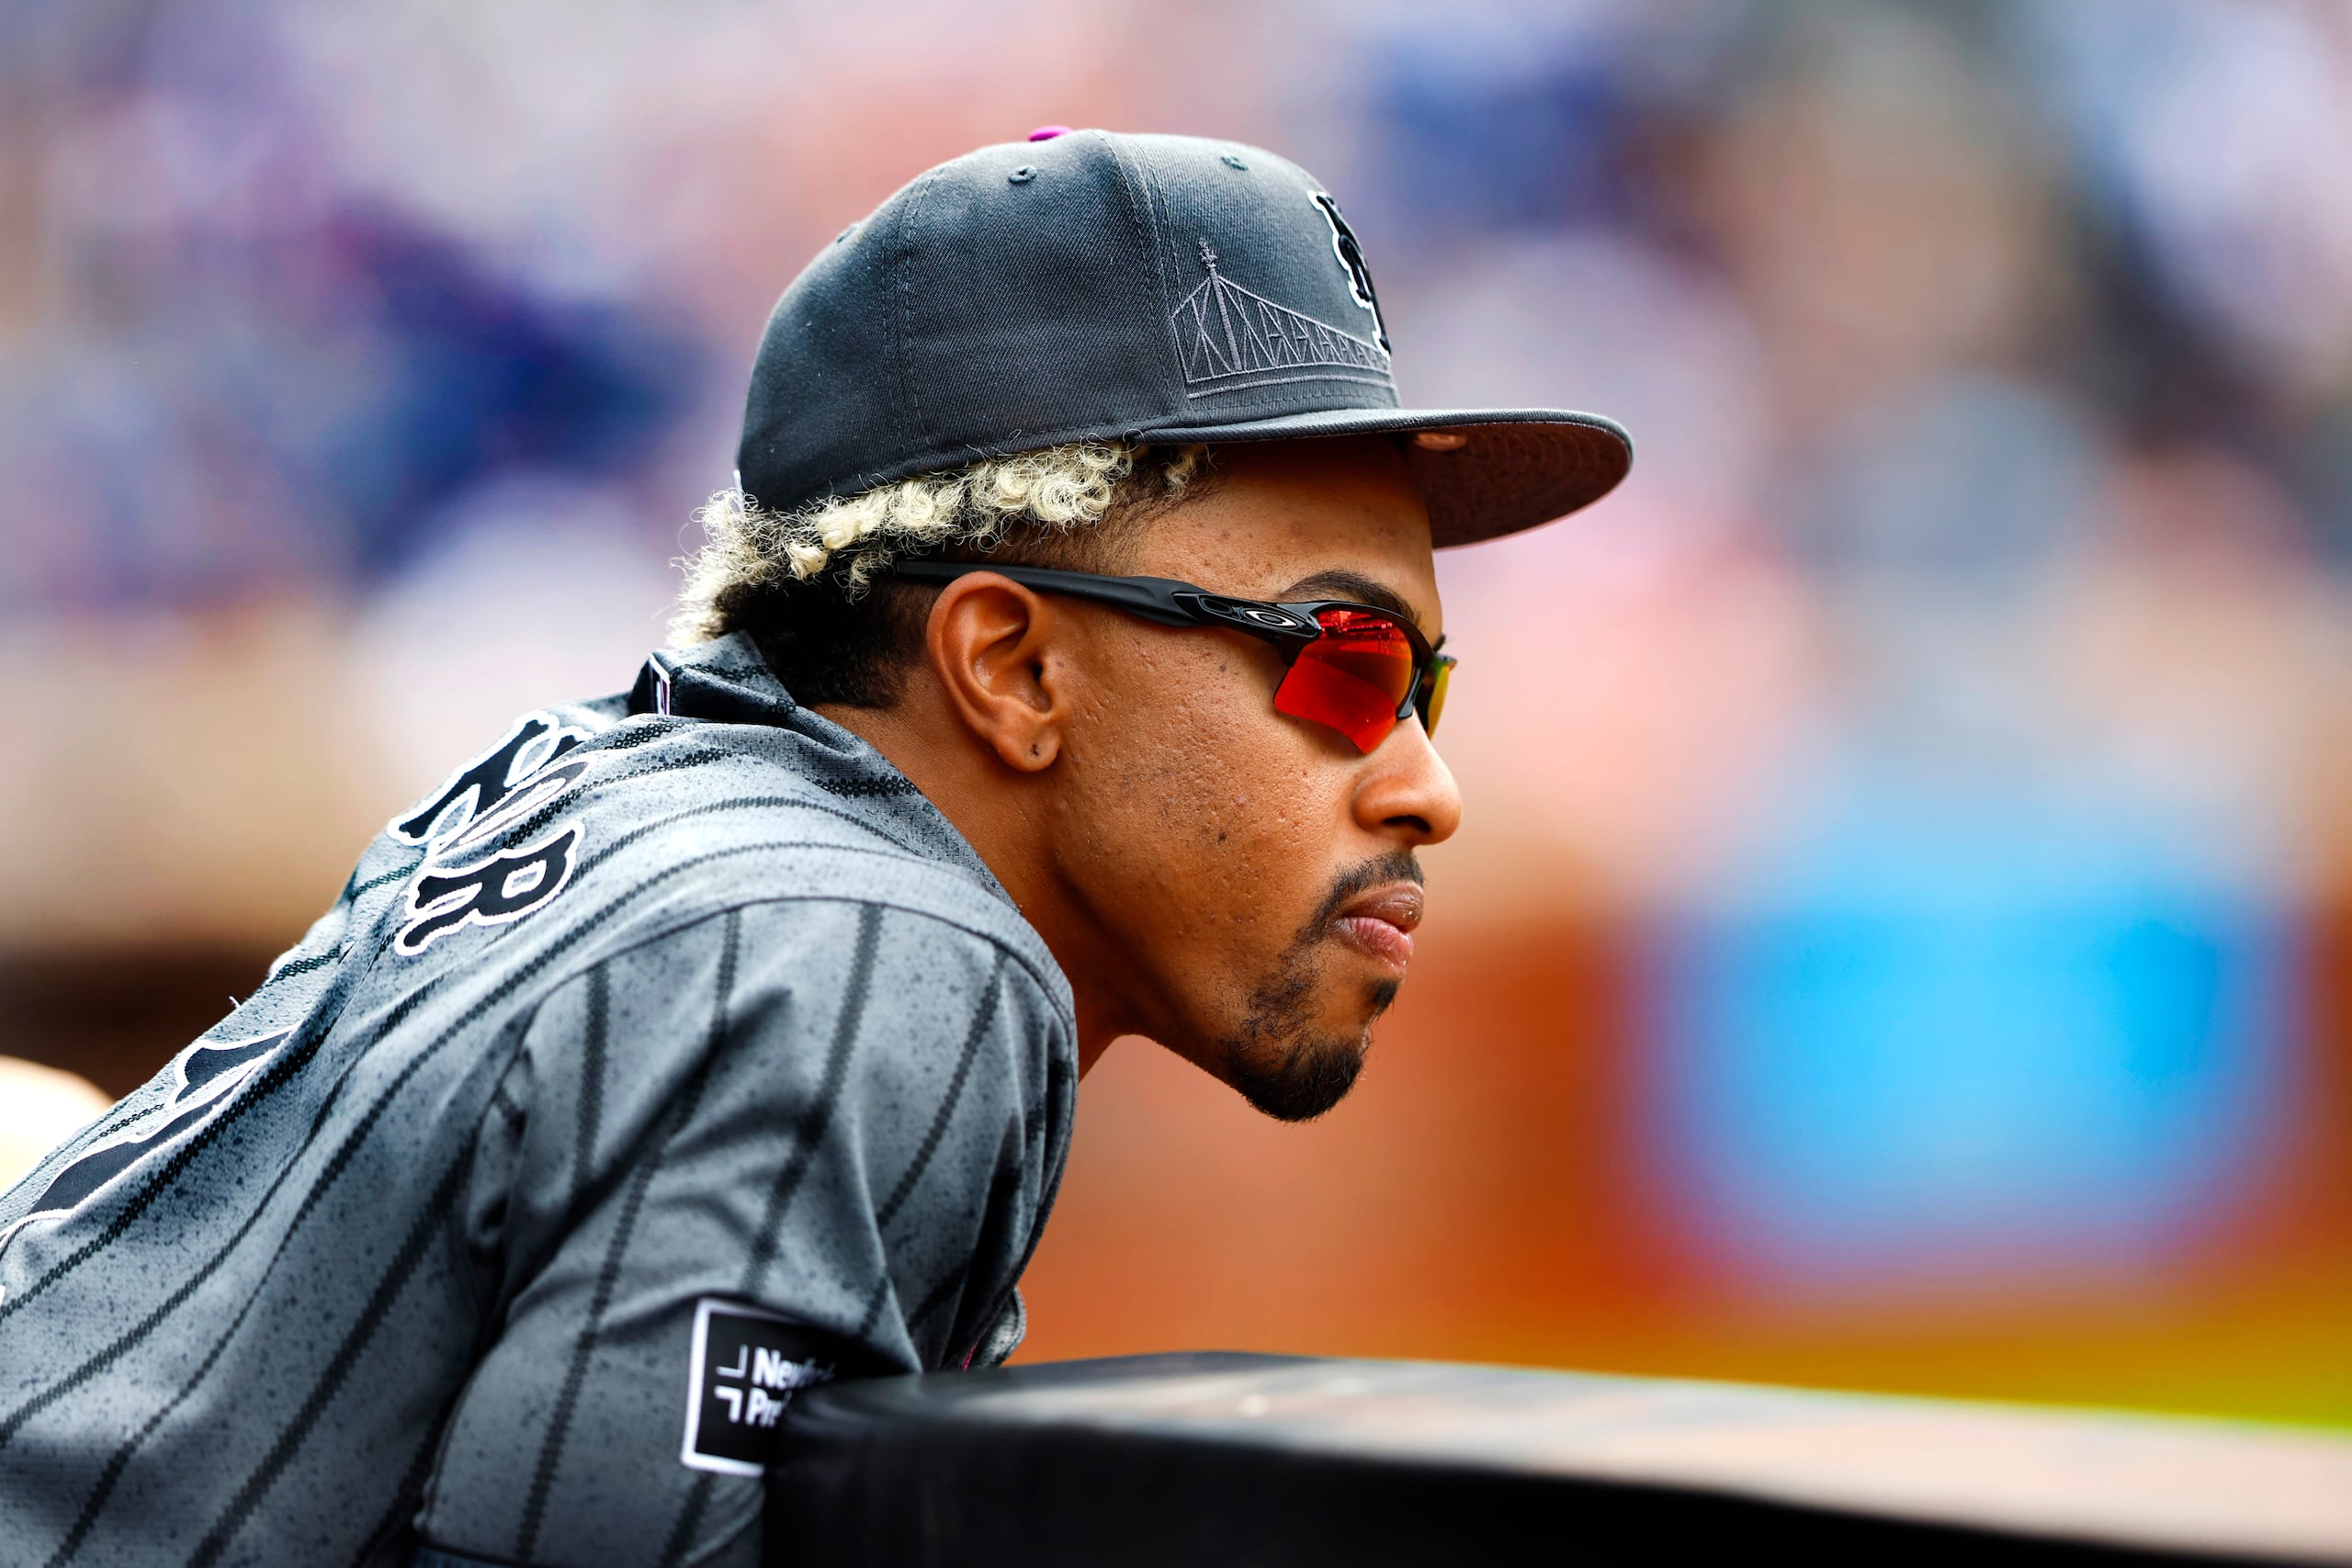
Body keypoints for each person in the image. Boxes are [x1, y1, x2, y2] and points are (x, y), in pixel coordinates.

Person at [0, 130, 1627, 1567]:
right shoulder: (876, 951)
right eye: (1343, 659)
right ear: (1011, 667)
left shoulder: (626, 791)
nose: (1427, 785)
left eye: (1425, 684)